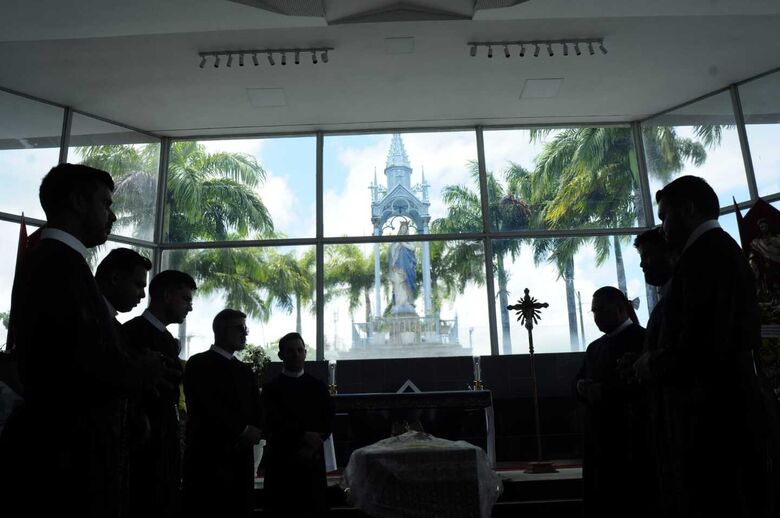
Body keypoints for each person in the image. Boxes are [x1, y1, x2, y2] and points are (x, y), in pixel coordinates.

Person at [0, 164, 165, 517]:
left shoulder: (57, 261)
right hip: (66, 459)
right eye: (105, 203)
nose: (113, 215)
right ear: (77, 201)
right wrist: (140, 370)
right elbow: (82, 359)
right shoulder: (60, 264)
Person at [636, 175, 767, 517]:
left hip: (714, 413)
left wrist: (653, 363)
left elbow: (704, 340)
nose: (663, 228)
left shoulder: (705, 256)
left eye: (665, 216)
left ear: (688, 210)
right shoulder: (717, 250)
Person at [122, 269, 196, 518]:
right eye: (186, 299)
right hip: (141, 449)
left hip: (164, 445)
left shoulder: (165, 339)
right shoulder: (132, 334)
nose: (190, 308)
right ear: (167, 296)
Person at [574, 286, 651, 518]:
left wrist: (604, 391)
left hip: (629, 433)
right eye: (593, 312)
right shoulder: (595, 347)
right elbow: (579, 379)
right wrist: (580, 387)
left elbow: (643, 385)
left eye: (600, 310)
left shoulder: (642, 339)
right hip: (598, 436)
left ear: (619, 309)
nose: (596, 317)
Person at [182, 309, 262, 518]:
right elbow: (207, 406)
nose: (245, 333)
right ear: (220, 330)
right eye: (239, 328)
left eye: (245, 328)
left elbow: (256, 408)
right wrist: (243, 430)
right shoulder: (199, 364)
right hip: (209, 458)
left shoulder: (245, 370)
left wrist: (256, 430)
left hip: (241, 460)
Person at [261, 332, 334, 518]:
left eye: (300, 350)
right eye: (291, 350)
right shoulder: (271, 388)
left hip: (311, 460)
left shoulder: (317, 386)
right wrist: (302, 436)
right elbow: (270, 422)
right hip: (281, 461)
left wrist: (314, 442)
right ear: (281, 355)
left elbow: (328, 420)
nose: (296, 354)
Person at [632, 227, 676, 516]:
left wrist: (648, 362)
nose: (642, 263)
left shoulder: (682, 294)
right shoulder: (668, 298)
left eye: (647, 255)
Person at [388, 220, 417, 314]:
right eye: (402, 228)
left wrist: (403, 243)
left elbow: (413, 248)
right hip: (398, 267)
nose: (404, 230)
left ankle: (408, 302)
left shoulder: (409, 240)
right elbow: (392, 250)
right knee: (398, 284)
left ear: (407, 230)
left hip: (408, 267)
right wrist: (398, 244)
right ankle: (399, 303)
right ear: (400, 229)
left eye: (405, 228)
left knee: (407, 284)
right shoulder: (397, 241)